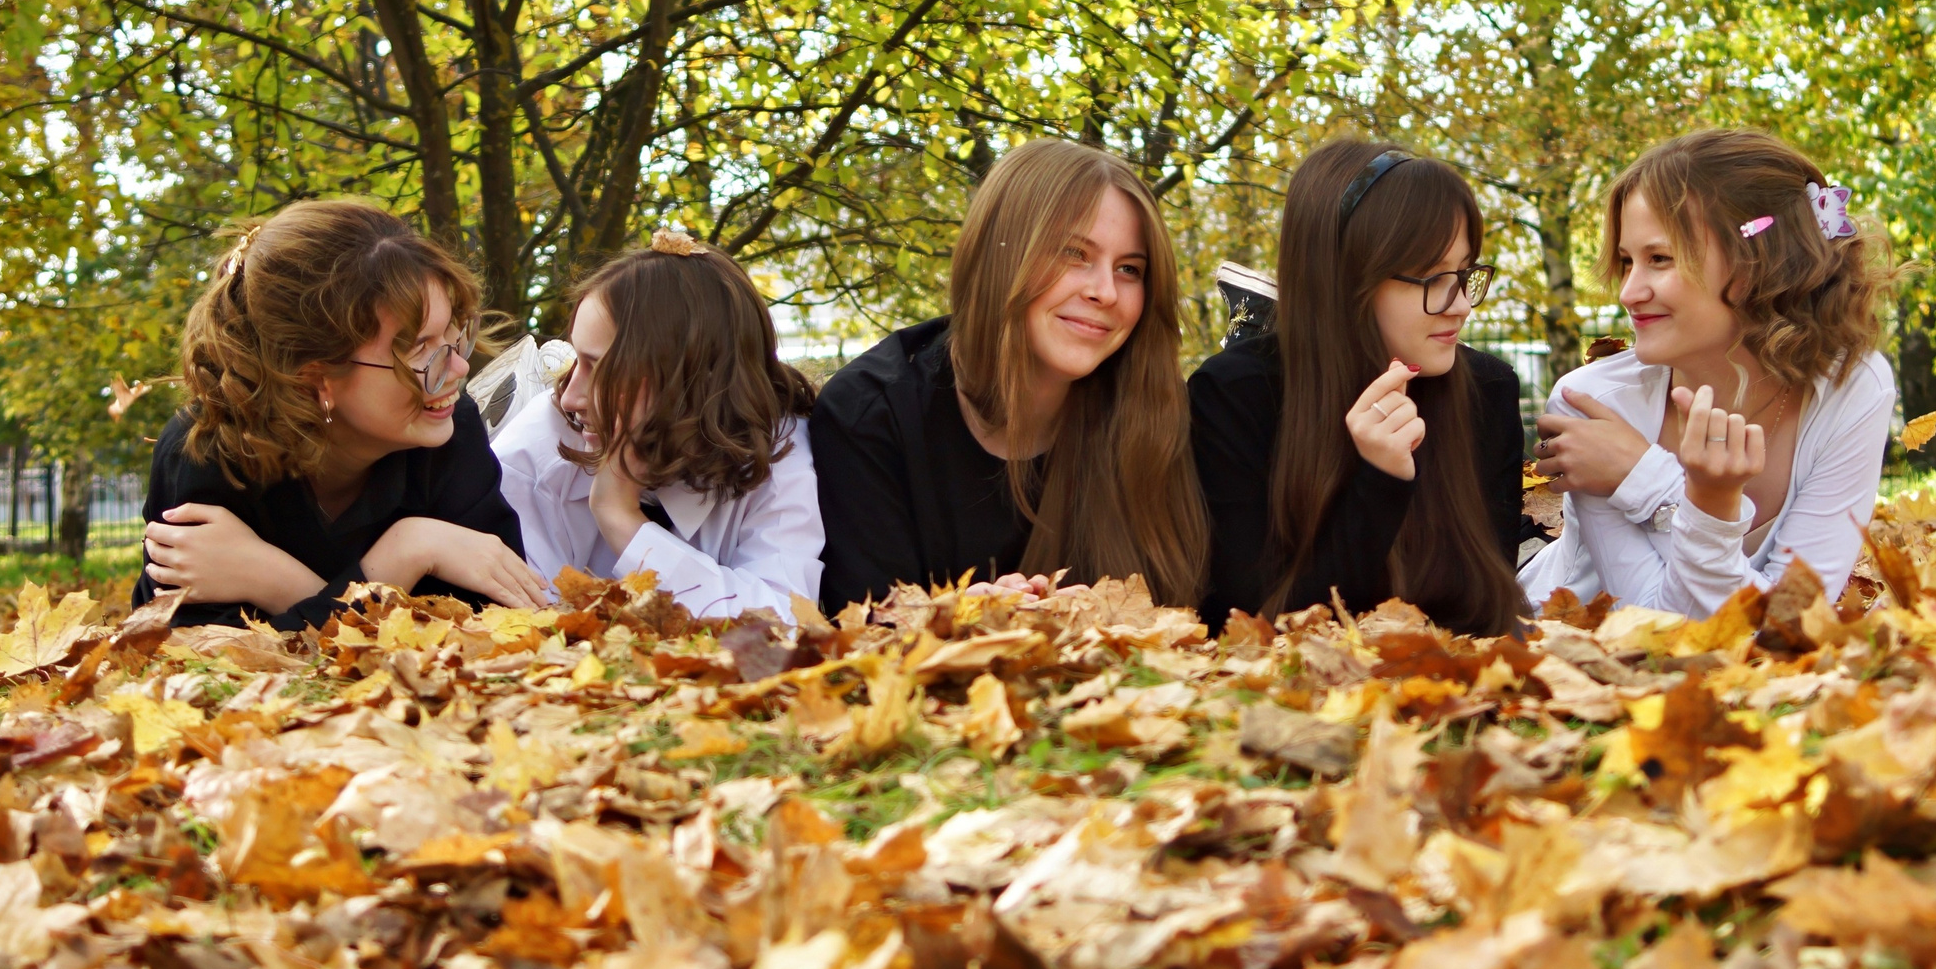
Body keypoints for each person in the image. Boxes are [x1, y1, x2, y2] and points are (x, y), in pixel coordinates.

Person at [812, 138, 1208, 611]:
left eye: (1129, 269)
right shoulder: (870, 415)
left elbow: (1190, 625)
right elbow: (856, 637)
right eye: (1073, 253)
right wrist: (955, 623)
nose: (1106, 292)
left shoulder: (1156, 414)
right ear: (1002, 255)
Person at [1522, 129, 1900, 619]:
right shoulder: (1595, 404)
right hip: (1563, 657)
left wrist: (1648, 482)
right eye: (1626, 261)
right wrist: (1699, 503)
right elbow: (1660, 628)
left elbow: (1791, 620)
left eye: (1660, 259)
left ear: (1757, 264)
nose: (1628, 291)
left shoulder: (1852, 387)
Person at [135, 200, 547, 631]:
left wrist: (277, 581)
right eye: (420, 350)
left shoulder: (448, 429)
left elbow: (490, 632)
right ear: (319, 378)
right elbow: (205, 663)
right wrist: (396, 571)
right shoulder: (207, 451)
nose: (459, 369)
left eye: (454, 334)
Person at [1190, 141, 1528, 634]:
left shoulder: (1486, 391)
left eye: (1465, 271)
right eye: (1434, 276)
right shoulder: (1235, 395)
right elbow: (1251, 630)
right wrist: (1380, 481)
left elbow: (1487, 613)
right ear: (1345, 279)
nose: (1460, 305)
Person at [492, 230, 822, 618]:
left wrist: (622, 521)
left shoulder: (778, 452)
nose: (569, 398)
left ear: (687, 382)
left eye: (599, 369)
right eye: (575, 361)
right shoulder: (541, 444)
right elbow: (521, 630)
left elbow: (787, 622)